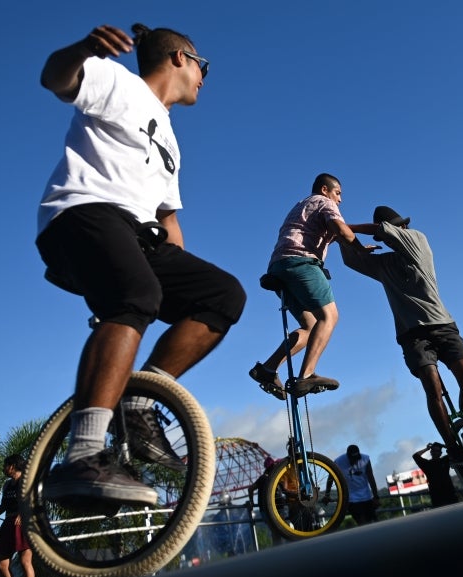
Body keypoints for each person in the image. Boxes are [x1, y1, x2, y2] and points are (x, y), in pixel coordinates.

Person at [35, 23, 246, 506]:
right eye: (202, 66)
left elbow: (167, 220)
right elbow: (54, 77)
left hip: (139, 234)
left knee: (223, 294)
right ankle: (83, 454)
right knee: (136, 296)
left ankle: (139, 400)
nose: (203, 78)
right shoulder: (120, 84)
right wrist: (85, 49)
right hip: (81, 212)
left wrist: (182, 272)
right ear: (178, 58)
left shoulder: (171, 139)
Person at [339, 205, 463, 467]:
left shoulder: (418, 240)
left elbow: (382, 230)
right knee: (432, 386)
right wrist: (341, 236)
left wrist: (348, 227)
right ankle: (452, 447)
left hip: (442, 324)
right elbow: (350, 259)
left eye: (398, 228)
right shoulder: (384, 265)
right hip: (412, 334)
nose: (401, 231)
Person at [249, 173, 375, 399]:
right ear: (325, 190)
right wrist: (360, 249)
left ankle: (267, 369)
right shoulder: (325, 202)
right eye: (338, 193)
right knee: (329, 316)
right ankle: (306, 376)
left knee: (310, 327)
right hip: (302, 263)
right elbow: (341, 229)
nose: (340, 200)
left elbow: (343, 227)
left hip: (279, 267)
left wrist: (373, 227)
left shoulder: (302, 206)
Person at [324, 445, 380, 526]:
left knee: (375, 522)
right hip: (351, 499)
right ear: (348, 457)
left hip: (366, 496)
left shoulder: (365, 459)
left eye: (357, 459)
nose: (355, 461)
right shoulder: (339, 462)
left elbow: (371, 478)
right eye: (353, 459)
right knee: (362, 523)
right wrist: (327, 494)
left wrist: (376, 496)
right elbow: (330, 479)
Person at [246, 456, 285, 546]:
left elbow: (250, 489)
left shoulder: (263, 478)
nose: (278, 465)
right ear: (273, 466)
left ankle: (278, 552)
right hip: (275, 509)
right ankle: (281, 552)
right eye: (276, 464)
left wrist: (252, 502)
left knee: (276, 533)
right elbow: (250, 489)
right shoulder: (271, 478)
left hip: (266, 510)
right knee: (279, 532)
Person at [412, 443, 458, 508]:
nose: (435, 453)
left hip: (449, 493)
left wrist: (443, 445)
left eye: (437, 451)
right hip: (437, 496)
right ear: (431, 452)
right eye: (434, 450)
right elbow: (415, 456)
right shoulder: (427, 464)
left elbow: (456, 451)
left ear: (440, 453)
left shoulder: (445, 460)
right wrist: (426, 449)